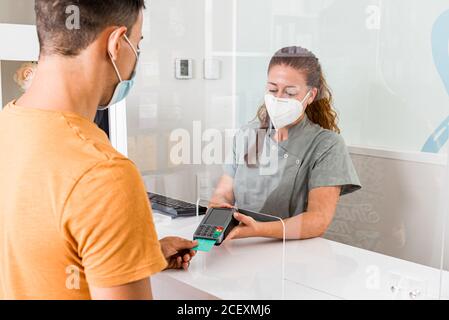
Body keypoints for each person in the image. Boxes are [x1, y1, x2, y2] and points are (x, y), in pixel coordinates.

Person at [0, 0, 197, 300]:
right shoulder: (104, 174)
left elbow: (36, 255)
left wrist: (134, 256)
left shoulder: (8, 125)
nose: (137, 56)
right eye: (138, 44)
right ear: (117, 43)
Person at [210, 46, 362, 241]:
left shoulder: (326, 145)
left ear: (311, 95)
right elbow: (223, 192)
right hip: (239, 243)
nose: (279, 98)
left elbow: (318, 220)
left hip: (293, 254)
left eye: (290, 92)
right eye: (273, 89)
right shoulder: (248, 134)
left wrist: (257, 230)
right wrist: (220, 207)